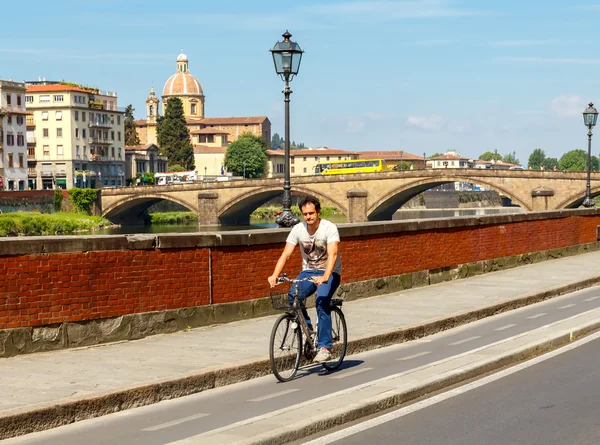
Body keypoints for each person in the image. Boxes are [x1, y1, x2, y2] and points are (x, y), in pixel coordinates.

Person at [268, 196, 342, 363]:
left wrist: (325, 276)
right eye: (305, 214)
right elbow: (286, 254)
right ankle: (307, 327)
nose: (308, 217)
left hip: (329, 271)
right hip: (308, 271)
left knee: (321, 301)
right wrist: (275, 275)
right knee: (292, 297)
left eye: (311, 213)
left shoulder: (329, 228)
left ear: (318, 212)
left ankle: (325, 347)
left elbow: (333, 254)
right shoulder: (298, 229)